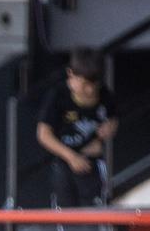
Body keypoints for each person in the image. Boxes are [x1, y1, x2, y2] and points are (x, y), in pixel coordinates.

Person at [37, 48, 116, 208]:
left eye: (94, 85)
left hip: (92, 163)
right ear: (71, 74)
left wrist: (108, 130)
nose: (90, 90)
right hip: (63, 161)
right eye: (85, 84)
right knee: (65, 209)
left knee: (94, 209)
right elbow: (44, 134)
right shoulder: (58, 96)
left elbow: (113, 118)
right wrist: (71, 157)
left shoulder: (105, 95)